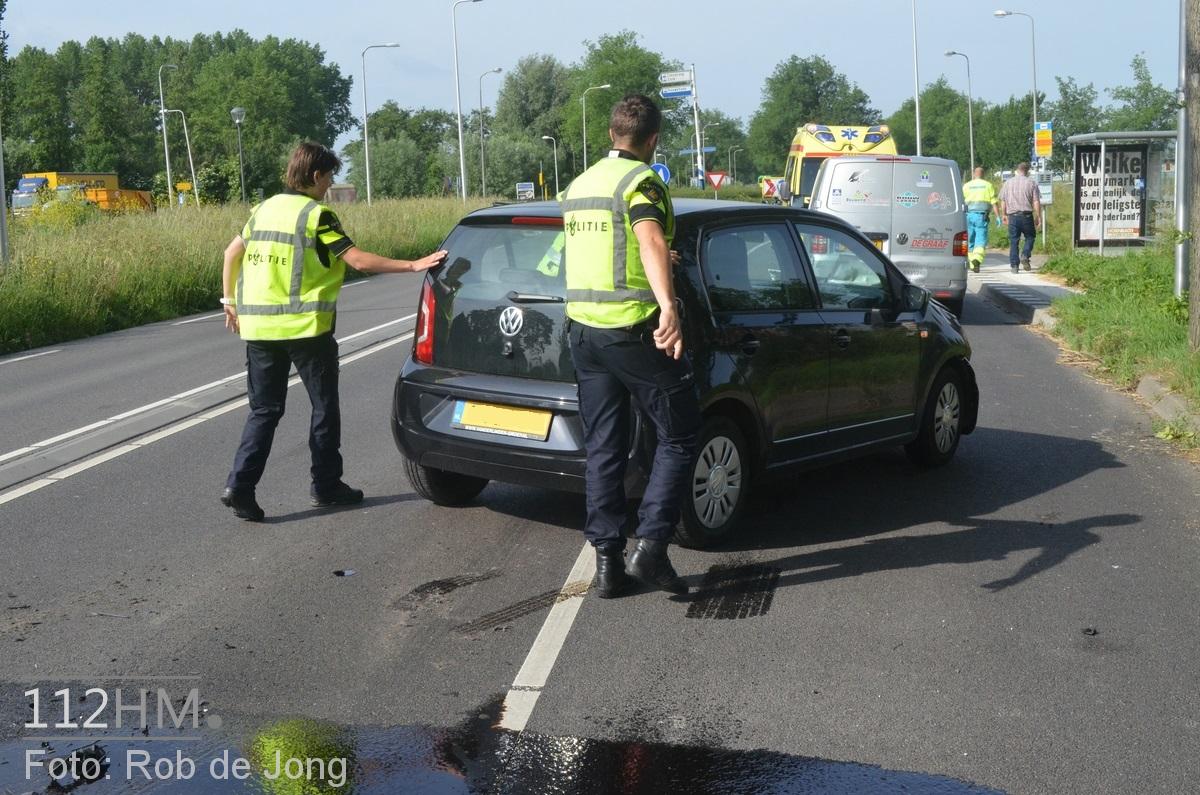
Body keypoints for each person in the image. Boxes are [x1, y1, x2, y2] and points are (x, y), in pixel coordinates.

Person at [219, 141, 446, 521]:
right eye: (328, 177)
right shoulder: (316, 216)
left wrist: (229, 301)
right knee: (324, 408)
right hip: (307, 330)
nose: (329, 186)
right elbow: (356, 259)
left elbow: (231, 254)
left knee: (264, 411)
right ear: (315, 175)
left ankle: (240, 486)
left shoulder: (261, 210)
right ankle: (326, 486)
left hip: (258, 329)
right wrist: (412, 265)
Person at [559, 94, 699, 598]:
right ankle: (653, 549)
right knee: (681, 433)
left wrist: (662, 257)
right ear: (653, 139)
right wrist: (669, 306)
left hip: (583, 330)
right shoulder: (643, 181)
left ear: (612, 134)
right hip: (631, 328)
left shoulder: (579, 184)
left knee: (604, 446)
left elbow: (608, 246)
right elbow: (647, 239)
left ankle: (607, 565)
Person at [998, 161, 1042, 273]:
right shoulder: (1031, 183)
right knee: (1030, 237)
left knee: (1014, 240)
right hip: (1026, 216)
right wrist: (1038, 216)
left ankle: (1014, 266)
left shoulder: (1008, 183)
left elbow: (1003, 200)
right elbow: (1036, 201)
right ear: (1027, 171)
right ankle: (1025, 255)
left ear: (1017, 170)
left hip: (1013, 216)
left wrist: (1003, 214)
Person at [961, 166, 1000, 273]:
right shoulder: (988, 185)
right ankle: (977, 260)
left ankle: (972, 263)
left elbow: (961, 202)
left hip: (967, 216)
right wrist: (998, 217)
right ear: (983, 175)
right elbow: (994, 202)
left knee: (969, 240)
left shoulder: (966, 186)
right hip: (981, 217)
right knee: (980, 240)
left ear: (974, 174)